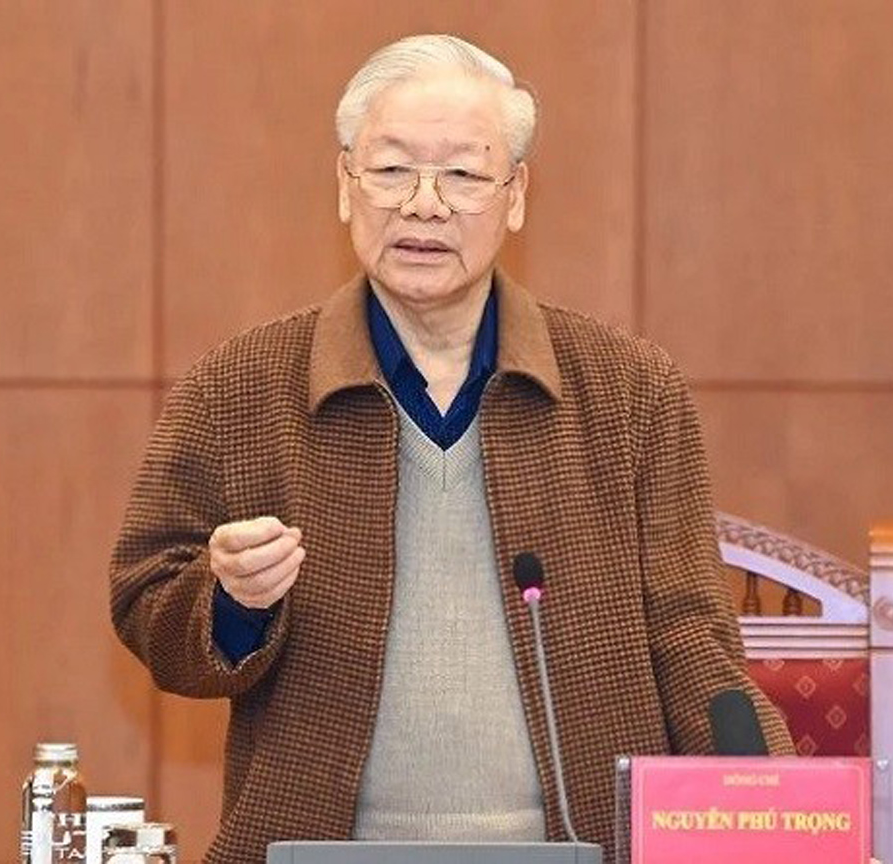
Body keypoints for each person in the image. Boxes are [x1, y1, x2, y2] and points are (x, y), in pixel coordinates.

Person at [110, 33, 793, 864]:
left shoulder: (628, 390)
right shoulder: (241, 386)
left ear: (514, 196)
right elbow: (147, 600)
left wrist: (773, 810)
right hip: (315, 850)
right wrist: (231, 600)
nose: (425, 205)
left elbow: (690, 634)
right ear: (344, 184)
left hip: (581, 848)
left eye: (464, 175)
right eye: (393, 169)